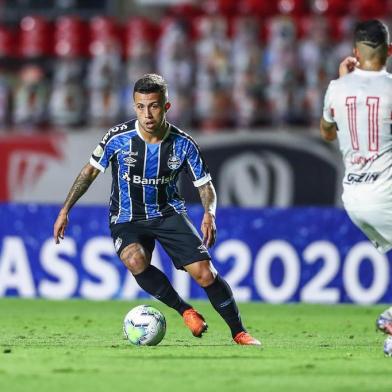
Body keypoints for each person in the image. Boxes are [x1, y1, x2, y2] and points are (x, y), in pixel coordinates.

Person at [53, 73, 261, 346]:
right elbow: (90, 171)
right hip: (127, 217)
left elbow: (205, 184)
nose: (147, 113)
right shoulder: (118, 137)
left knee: (205, 273)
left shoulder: (183, 143)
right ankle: (185, 310)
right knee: (135, 260)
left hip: (167, 213)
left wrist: (209, 213)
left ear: (166, 106)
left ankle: (239, 332)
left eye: (153, 105)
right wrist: (65, 209)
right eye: (141, 106)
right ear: (134, 106)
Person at [319, 20, 392, 336]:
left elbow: (326, 133)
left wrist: (343, 79)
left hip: (353, 198)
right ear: (389, 51)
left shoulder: (337, 88)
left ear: (355, 53)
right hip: (386, 190)